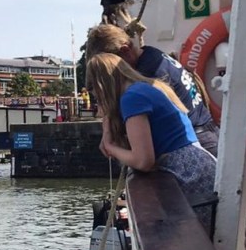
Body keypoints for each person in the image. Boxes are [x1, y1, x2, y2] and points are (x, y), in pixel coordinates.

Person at [86, 53, 216, 229]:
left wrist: (110, 147)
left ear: (101, 85)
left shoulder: (132, 98)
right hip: (199, 165)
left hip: (188, 174)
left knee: (190, 242)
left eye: (96, 95)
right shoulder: (151, 86)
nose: (98, 101)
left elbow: (143, 160)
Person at [86, 23, 219, 157]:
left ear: (125, 50)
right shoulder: (152, 54)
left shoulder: (148, 76)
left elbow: (143, 158)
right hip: (205, 134)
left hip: (198, 142)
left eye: (109, 66)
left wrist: (109, 139)